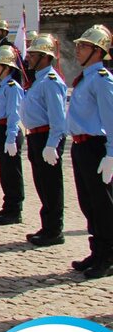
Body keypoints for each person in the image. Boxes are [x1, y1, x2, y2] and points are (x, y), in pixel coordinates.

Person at [66, 25, 113, 279]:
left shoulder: (103, 80)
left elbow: (111, 118)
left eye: (83, 46)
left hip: (96, 147)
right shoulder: (87, 78)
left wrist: (111, 154)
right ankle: (97, 250)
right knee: (88, 202)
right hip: (81, 145)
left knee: (103, 204)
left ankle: (108, 255)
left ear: (98, 51)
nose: (78, 50)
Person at [21, 33, 67, 247]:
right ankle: (47, 225)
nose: (28, 57)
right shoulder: (38, 80)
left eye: (33, 54)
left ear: (46, 57)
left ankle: (54, 229)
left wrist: (52, 144)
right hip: (36, 136)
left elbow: (58, 118)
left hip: (46, 137)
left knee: (51, 184)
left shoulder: (50, 82)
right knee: (41, 183)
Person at [0, 46, 25, 225]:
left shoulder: (12, 87)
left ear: (7, 68)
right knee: (4, 170)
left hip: (8, 130)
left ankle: (15, 209)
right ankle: (7, 204)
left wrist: (11, 138)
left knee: (12, 171)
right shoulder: (0, 87)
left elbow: (14, 114)